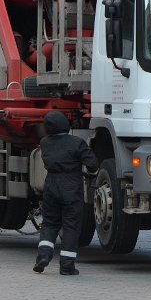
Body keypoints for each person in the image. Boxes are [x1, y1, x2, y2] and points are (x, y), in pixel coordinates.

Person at [34, 110, 98, 275]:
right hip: (71, 186)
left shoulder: (45, 142)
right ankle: (67, 266)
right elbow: (92, 163)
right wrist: (92, 173)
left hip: (51, 186)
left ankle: (43, 256)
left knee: (49, 223)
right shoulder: (76, 142)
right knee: (70, 226)